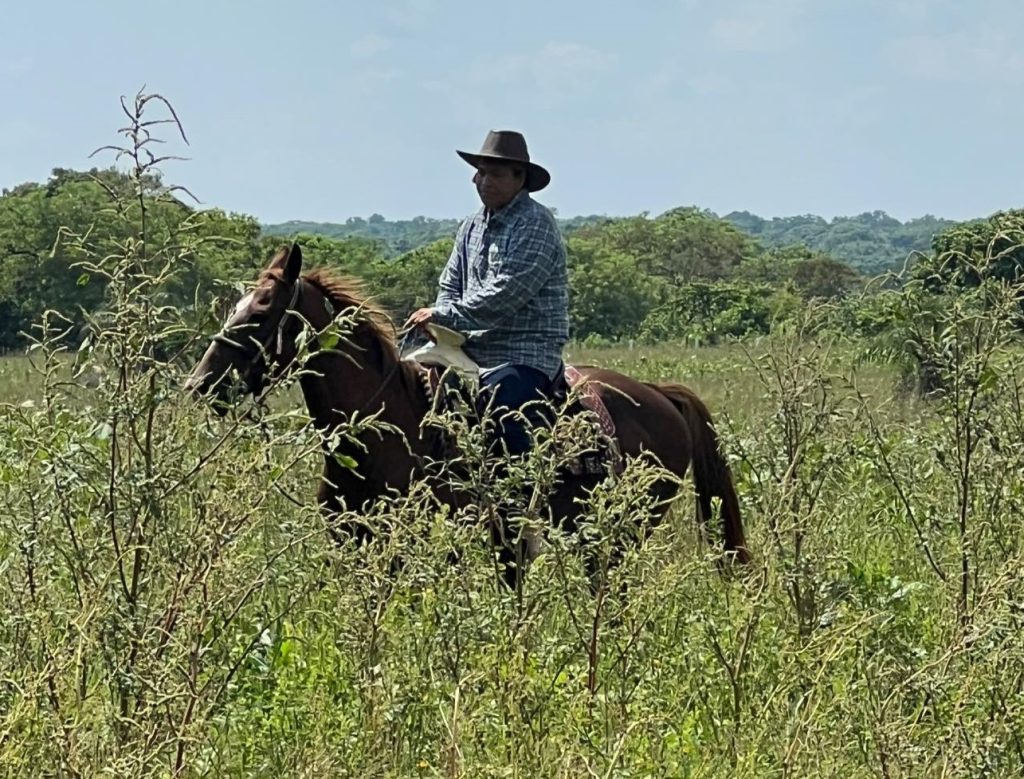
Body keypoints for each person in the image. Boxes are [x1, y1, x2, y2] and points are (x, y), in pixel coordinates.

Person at [405, 130, 569, 458]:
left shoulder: (535, 223)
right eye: (480, 172)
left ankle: (518, 492)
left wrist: (442, 315)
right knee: (407, 386)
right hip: (466, 347)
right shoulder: (471, 226)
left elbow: (506, 292)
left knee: (502, 408)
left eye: (494, 173)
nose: (483, 180)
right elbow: (450, 284)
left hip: (523, 351)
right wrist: (442, 320)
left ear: (519, 177)